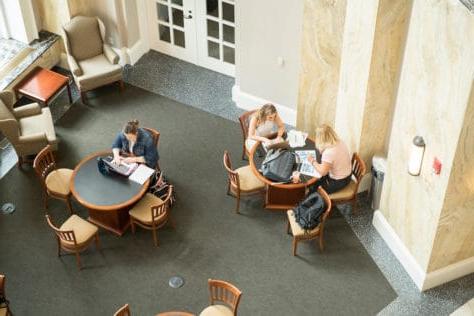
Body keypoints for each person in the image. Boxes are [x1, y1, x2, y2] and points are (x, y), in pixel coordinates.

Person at [292, 124, 352, 194]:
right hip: (347, 175)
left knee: (314, 190)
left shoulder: (329, 152)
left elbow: (323, 172)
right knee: (315, 181)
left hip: (339, 181)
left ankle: (315, 201)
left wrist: (312, 161)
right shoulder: (339, 141)